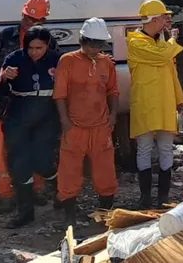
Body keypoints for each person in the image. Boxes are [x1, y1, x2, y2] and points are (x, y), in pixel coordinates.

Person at [0, 0, 51, 212]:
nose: (30, 23)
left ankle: (35, 191)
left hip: (35, 106)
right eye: (28, 18)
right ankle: (6, 194)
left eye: (35, 21)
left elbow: (58, 65)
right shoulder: (4, 38)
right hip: (7, 104)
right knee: (3, 150)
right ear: (22, 14)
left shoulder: (47, 41)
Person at [0, 26, 61, 228]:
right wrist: (5, 77)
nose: (34, 52)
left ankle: (61, 191)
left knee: (43, 161)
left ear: (47, 46)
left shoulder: (58, 60)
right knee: (20, 164)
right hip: (19, 115)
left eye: (39, 48)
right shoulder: (14, 59)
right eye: (31, 48)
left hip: (47, 115)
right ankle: (26, 212)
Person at [54, 18, 119, 222]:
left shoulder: (106, 62)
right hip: (75, 126)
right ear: (83, 40)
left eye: (99, 45)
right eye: (93, 44)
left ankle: (104, 213)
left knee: (105, 169)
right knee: (69, 171)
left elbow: (113, 91)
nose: (96, 49)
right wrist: (65, 122)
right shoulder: (67, 61)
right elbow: (60, 94)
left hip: (101, 126)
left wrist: (113, 115)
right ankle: (69, 215)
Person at [128, 0, 183, 208]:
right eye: (163, 17)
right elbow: (163, 57)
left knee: (165, 149)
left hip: (165, 104)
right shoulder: (135, 42)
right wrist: (173, 40)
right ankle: (145, 197)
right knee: (144, 148)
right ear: (153, 19)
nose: (166, 21)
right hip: (145, 105)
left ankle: (163, 197)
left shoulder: (161, 44)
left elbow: (172, 74)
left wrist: (180, 100)